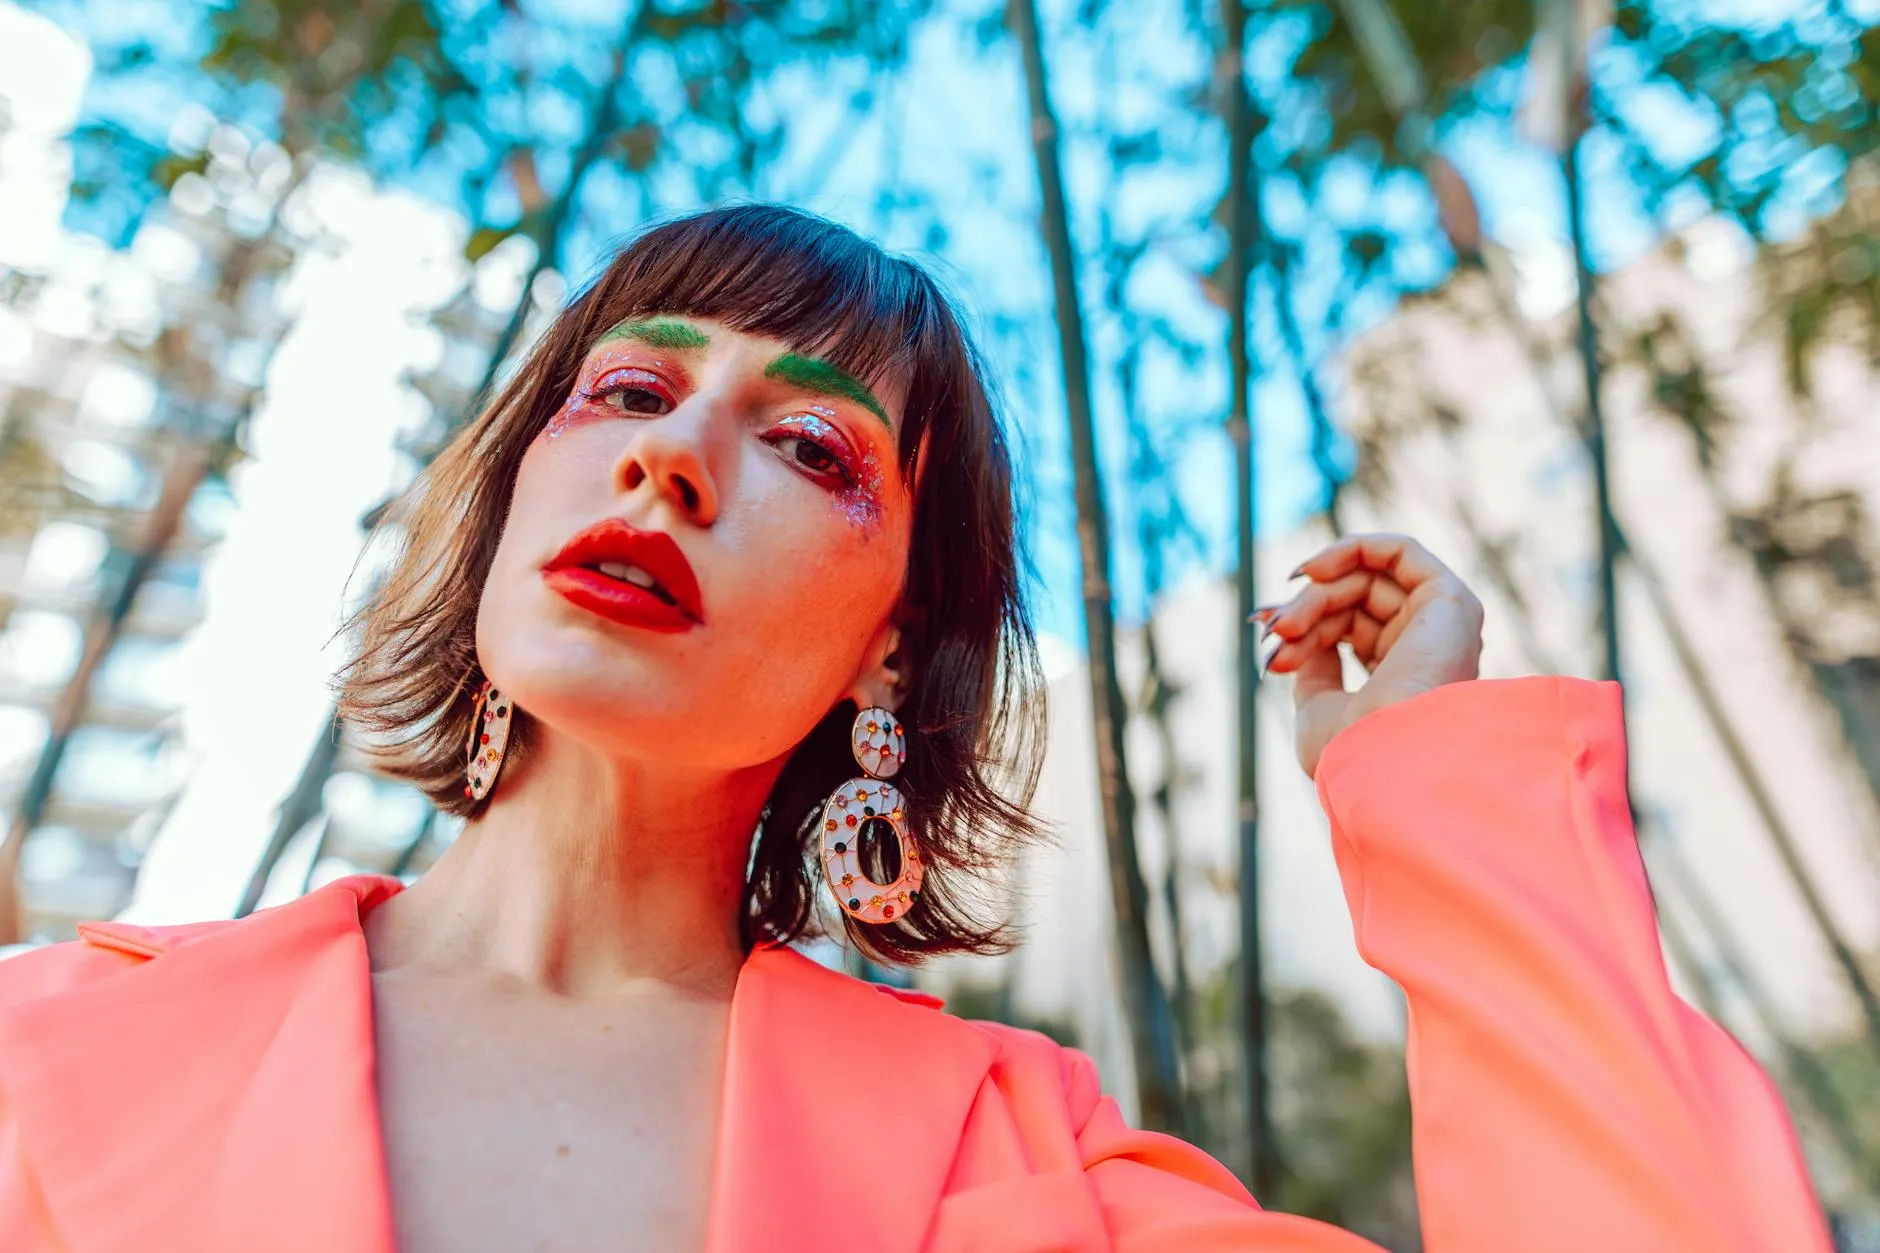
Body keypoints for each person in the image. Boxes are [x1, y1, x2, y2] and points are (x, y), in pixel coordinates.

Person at [0, 205, 1833, 1253]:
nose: (671, 453)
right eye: (631, 385)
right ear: (510, 502)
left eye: (813, 445)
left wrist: (1439, 790)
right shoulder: (46, 1039)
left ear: (891, 650)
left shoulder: (1013, 1158)